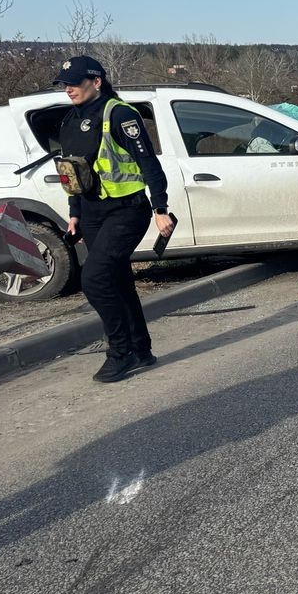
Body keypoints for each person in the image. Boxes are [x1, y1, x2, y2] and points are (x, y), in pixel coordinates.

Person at [54, 56, 173, 382]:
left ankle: (121, 352)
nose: (68, 89)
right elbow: (72, 172)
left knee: (94, 279)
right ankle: (141, 349)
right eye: (64, 84)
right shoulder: (70, 120)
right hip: (91, 214)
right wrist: (74, 213)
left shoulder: (120, 115)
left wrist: (160, 208)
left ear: (96, 82)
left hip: (127, 210)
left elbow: (149, 164)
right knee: (117, 280)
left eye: (75, 83)